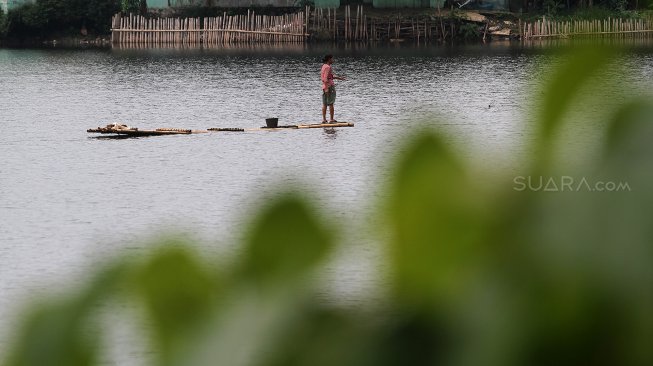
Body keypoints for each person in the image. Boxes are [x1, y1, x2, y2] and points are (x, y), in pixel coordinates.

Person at [321, 54, 346, 123]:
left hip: (324, 86)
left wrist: (339, 78)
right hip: (329, 87)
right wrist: (327, 87)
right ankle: (331, 119)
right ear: (329, 59)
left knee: (325, 103)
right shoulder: (328, 67)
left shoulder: (324, 66)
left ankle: (324, 119)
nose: (333, 60)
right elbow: (325, 78)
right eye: (332, 59)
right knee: (331, 103)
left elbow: (329, 77)